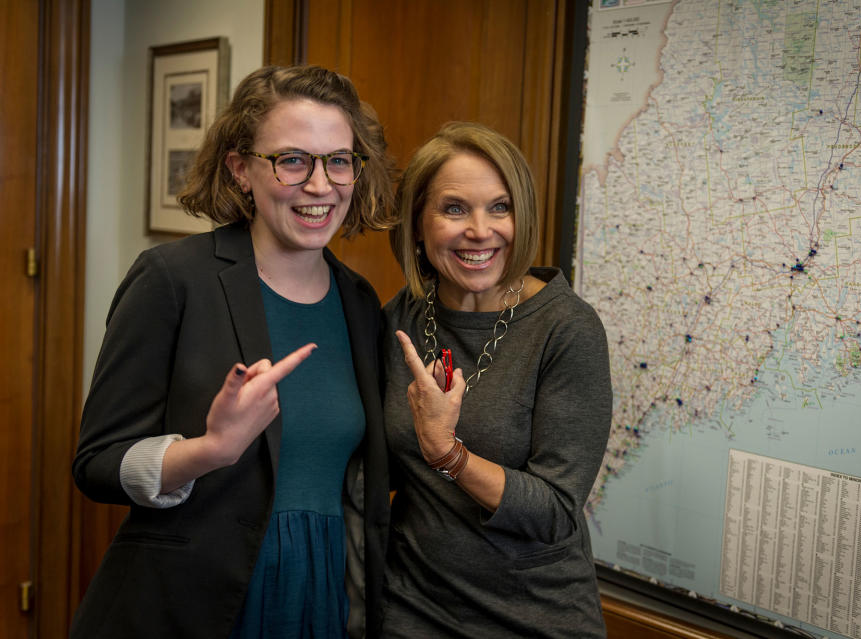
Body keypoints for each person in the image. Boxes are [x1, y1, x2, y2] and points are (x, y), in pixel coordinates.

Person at [71, 65, 393, 638]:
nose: (320, 185)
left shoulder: (361, 302)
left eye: (338, 160)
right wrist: (210, 450)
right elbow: (96, 463)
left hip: (322, 597)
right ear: (241, 169)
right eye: (293, 159)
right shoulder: (173, 279)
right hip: (196, 604)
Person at [380, 121, 612, 637]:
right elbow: (378, 470)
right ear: (418, 224)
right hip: (410, 607)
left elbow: (554, 511)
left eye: (499, 207)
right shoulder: (401, 319)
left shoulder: (565, 329)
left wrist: (448, 453)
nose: (480, 230)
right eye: (454, 208)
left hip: (532, 615)